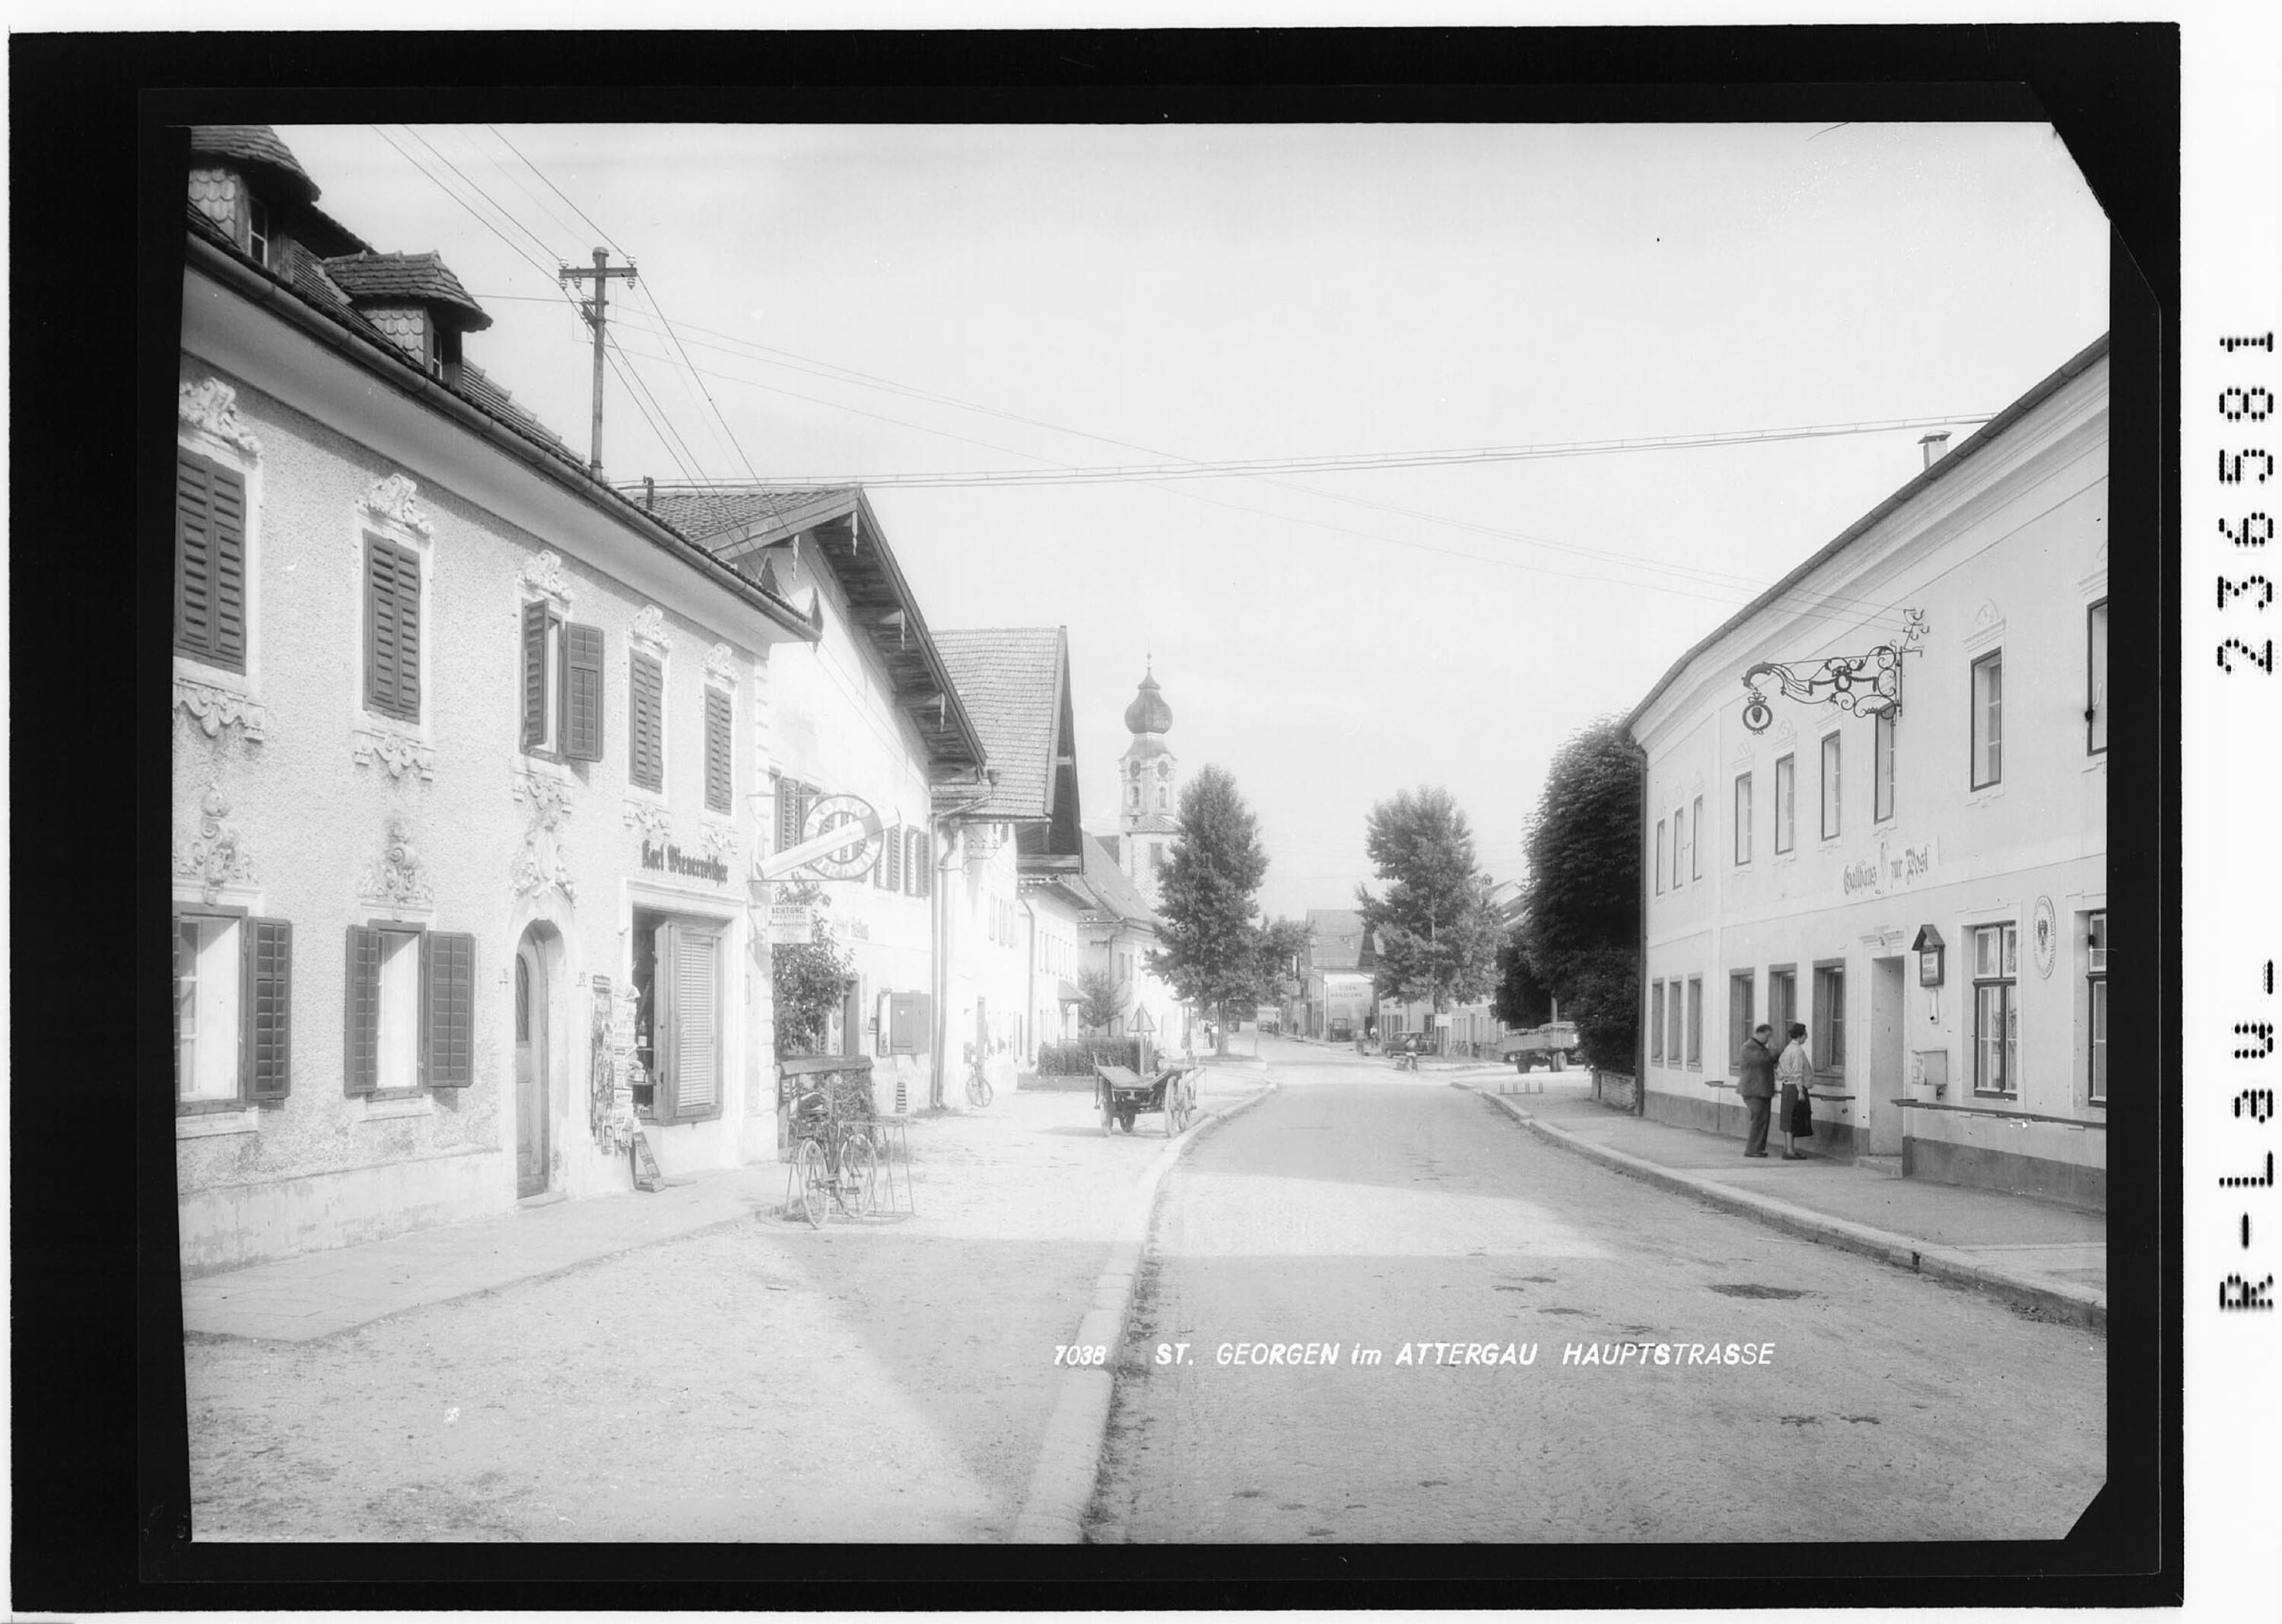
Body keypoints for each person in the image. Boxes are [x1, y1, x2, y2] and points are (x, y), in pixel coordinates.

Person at [1736, 1022, 1777, 1158]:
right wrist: (1773, 1044)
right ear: (1759, 1033)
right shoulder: (1750, 1047)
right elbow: (1768, 1059)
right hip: (1753, 1091)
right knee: (1758, 1118)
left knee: (1763, 1119)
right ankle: (1752, 1150)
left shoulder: (1759, 1047)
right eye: (1767, 1036)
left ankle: (1758, 1148)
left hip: (1762, 1090)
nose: (1768, 1039)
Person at [1776, 1022, 1813, 1159]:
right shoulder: (1797, 1051)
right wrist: (1800, 1091)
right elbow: (1798, 1072)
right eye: (1805, 1035)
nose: (1807, 1037)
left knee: (1787, 1119)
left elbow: (1779, 1070)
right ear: (1800, 1036)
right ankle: (1791, 1150)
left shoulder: (1787, 1050)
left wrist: (1784, 1077)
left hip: (1786, 1086)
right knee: (1794, 1119)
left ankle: (1787, 1148)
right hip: (1795, 1087)